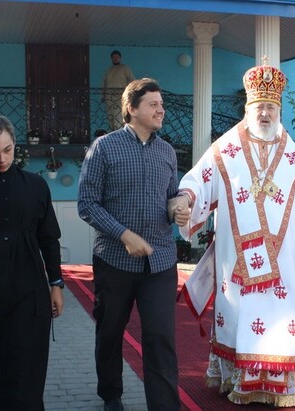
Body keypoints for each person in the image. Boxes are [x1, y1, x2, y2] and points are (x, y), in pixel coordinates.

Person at [169, 62, 295, 407]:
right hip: (236, 262)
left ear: (279, 110)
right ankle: (236, 379)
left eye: (271, 107)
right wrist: (185, 198)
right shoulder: (226, 149)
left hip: (281, 265)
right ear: (248, 108)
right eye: (260, 107)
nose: (265, 114)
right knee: (239, 317)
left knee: (280, 319)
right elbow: (198, 180)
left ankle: (276, 386)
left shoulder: (292, 155)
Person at [78, 78, 182, 411]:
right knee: (110, 332)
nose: (161, 110)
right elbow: (87, 204)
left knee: (160, 337)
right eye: (153, 104)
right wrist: (124, 234)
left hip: (160, 261)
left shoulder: (167, 152)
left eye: (161, 104)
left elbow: (172, 196)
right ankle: (111, 395)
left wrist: (179, 206)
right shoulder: (103, 148)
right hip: (114, 262)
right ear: (132, 109)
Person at [0, 115, 64, 410]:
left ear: (15, 145)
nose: (2, 158)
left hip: (29, 284)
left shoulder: (36, 185)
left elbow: (49, 237)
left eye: (7, 150)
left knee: (27, 367)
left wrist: (56, 283)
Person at [102, 50, 135, 131]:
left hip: (120, 98)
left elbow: (133, 81)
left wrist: (131, 95)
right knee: (111, 118)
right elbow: (104, 83)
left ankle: (120, 135)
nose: (115, 59)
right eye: (113, 57)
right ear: (111, 59)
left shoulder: (125, 68)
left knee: (119, 118)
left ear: (120, 58)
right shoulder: (108, 70)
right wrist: (103, 95)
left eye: (117, 57)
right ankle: (113, 134)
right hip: (109, 98)